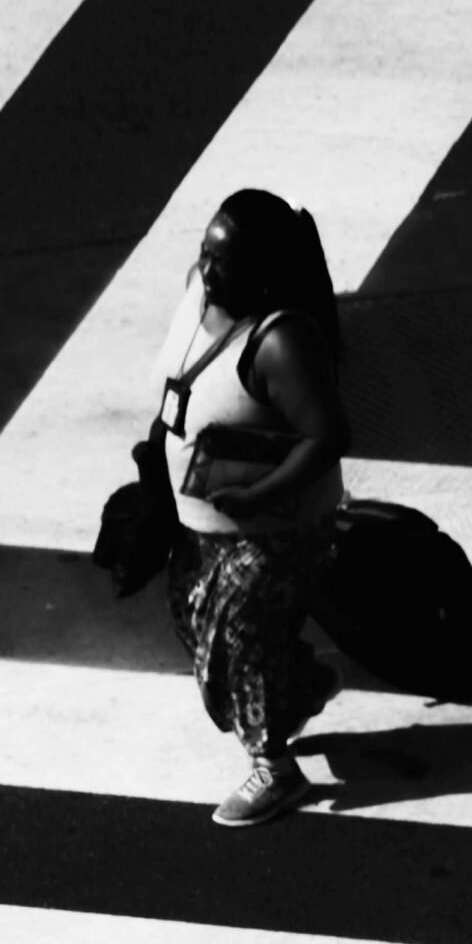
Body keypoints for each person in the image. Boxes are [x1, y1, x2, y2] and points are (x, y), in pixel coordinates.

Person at [155, 190, 352, 827]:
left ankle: (275, 769)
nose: (209, 272)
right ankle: (297, 683)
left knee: (235, 640)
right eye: (206, 255)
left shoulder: (282, 339)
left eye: (224, 263)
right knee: (196, 627)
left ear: (263, 273)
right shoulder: (199, 292)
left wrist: (258, 497)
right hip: (203, 521)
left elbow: (328, 437)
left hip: (278, 528)